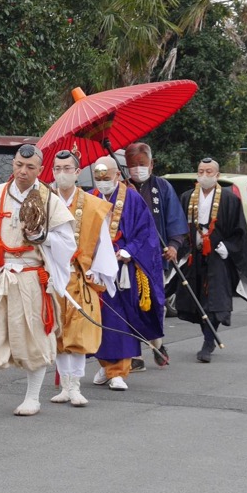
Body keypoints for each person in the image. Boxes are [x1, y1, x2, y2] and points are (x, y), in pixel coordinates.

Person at [0, 144, 75, 418]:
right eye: (18, 165)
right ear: (13, 164)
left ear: (40, 170)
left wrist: (40, 236)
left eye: (30, 167)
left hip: (31, 277)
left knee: (33, 338)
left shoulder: (50, 201)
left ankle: (32, 398)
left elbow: (67, 244)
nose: (23, 172)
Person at [46, 150, 118, 407]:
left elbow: (103, 242)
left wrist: (97, 271)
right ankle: (64, 385)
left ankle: (75, 385)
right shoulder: (44, 200)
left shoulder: (92, 204)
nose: (62, 173)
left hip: (79, 277)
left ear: (77, 172)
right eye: (57, 168)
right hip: (51, 277)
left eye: (67, 168)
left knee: (78, 333)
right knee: (57, 333)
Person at [89, 156, 165, 391]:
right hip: (97, 268)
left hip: (123, 268)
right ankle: (105, 365)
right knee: (97, 318)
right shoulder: (91, 198)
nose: (102, 182)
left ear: (117, 174)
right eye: (98, 177)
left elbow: (146, 232)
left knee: (121, 318)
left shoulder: (132, 198)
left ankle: (119, 370)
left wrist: (129, 251)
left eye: (106, 176)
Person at [176, 158, 247, 363]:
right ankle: (207, 336)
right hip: (194, 255)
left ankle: (208, 342)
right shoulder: (187, 197)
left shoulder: (230, 200)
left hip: (217, 257)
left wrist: (227, 247)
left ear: (217, 175)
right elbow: (178, 228)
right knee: (196, 300)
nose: (204, 175)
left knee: (216, 300)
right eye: (201, 171)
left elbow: (240, 232)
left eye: (209, 171)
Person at [124, 141, 188, 367]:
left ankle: (157, 345)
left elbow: (175, 219)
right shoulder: (122, 187)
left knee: (155, 304)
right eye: (132, 165)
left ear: (151, 164)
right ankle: (135, 355)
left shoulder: (162, 187)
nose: (137, 169)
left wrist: (173, 245)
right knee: (130, 304)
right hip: (128, 257)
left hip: (155, 258)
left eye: (141, 164)